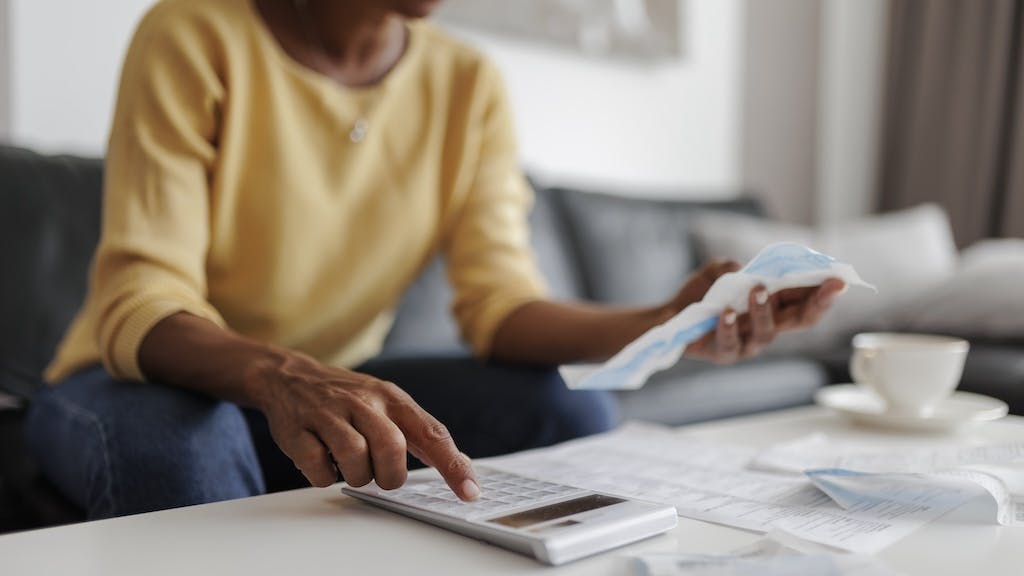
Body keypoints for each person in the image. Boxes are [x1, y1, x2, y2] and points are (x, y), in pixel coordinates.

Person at [25, 0, 845, 520]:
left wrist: (664, 323)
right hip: (140, 378)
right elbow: (142, 298)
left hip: (326, 380)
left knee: (569, 412)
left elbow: (500, 305)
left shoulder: (467, 83)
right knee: (183, 451)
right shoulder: (193, 31)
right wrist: (281, 373)